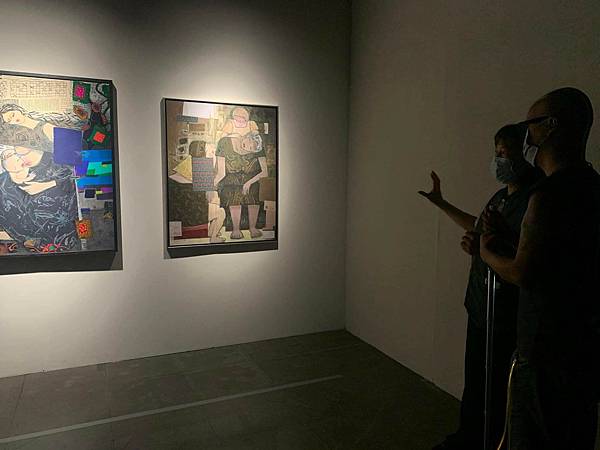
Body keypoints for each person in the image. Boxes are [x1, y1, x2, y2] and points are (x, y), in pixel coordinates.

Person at [480, 87, 600, 450]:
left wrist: (487, 252)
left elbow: (524, 272)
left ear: (550, 126)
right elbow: (562, 258)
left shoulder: (547, 195)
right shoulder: (592, 187)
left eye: (529, 125)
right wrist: (513, 238)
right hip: (583, 351)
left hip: (543, 355)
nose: (526, 137)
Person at [420, 124, 542, 450]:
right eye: (496, 152)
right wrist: (441, 204)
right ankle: (468, 438)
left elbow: (530, 258)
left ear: (525, 154)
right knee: (476, 381)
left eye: (505, 153)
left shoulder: (536, 200)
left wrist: (488, 246)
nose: (499, 160)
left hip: (506, 315)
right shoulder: (501, 197)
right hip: (480, 307)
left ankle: (493, 442)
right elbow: (478, 228)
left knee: (499, 388)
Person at [0, 145, 80, 253]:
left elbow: (79, 177)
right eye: (12, 171)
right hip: (29, 246)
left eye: (20, 167)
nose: (17, 174)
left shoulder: (51, 169)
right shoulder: (3, 184)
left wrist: (49, 185)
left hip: (65, 241)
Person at [214, 131, 268, 239]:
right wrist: (211, 186)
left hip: (251, 179)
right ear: (246, 136)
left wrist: (249, 182)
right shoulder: (225, 142)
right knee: (233, 193)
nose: (247, 147)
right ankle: (236, 229)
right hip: (231, 179)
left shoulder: (259, 147)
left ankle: (252, 228)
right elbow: (221, 172)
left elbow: (265, 172)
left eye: (251, 148)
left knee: (253, 192)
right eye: (248, 142)